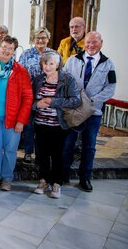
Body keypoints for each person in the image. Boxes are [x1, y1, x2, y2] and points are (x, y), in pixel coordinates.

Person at [63, 31, 116, 192]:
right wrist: (74, 99)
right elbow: (64, 80)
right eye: (88, 42)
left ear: (101, 43)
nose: (91, 45)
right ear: (83, 43)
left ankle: (85, 178)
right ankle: (63, 174)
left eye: (94, 42)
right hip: (74, 110)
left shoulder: (108, 64)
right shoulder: (73, 60)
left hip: (93, 112)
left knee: (89, 146)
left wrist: (92, 101)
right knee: (67, 144)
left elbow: (110, 87)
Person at [0, 36, 33, 191]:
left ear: (14, 51)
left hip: (12, 118)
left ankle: (7, 178)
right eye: (4, 47)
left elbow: (28, 97)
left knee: (10, 149)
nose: (6, 51)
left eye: (10, 48)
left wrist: (21, 120)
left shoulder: (20, 71)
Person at [31, 51, 80, 199]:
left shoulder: (67, 79)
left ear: (58, 64)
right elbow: (31, 100)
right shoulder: (38, 80)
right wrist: (37, 105)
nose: (48, 66)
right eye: (45, 63)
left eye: (51, 63)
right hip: (40, 124)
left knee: (58, 155)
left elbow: (75, 100)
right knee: (42, 155)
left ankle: (57, 184)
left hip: (59, 125)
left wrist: (53, 101)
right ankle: (44, 181)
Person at [18, 28, 53, 162]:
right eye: (38, 38)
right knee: (28, 125)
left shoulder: (54, 54)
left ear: (48, 39)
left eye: (43, 37)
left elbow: (59, 73)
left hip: (47, 95)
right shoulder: (26, 54)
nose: (40, 40)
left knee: (44, 126)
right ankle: (28, 152)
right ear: (33, 39)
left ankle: (42, 153)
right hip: (29, 95)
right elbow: (20, 73)